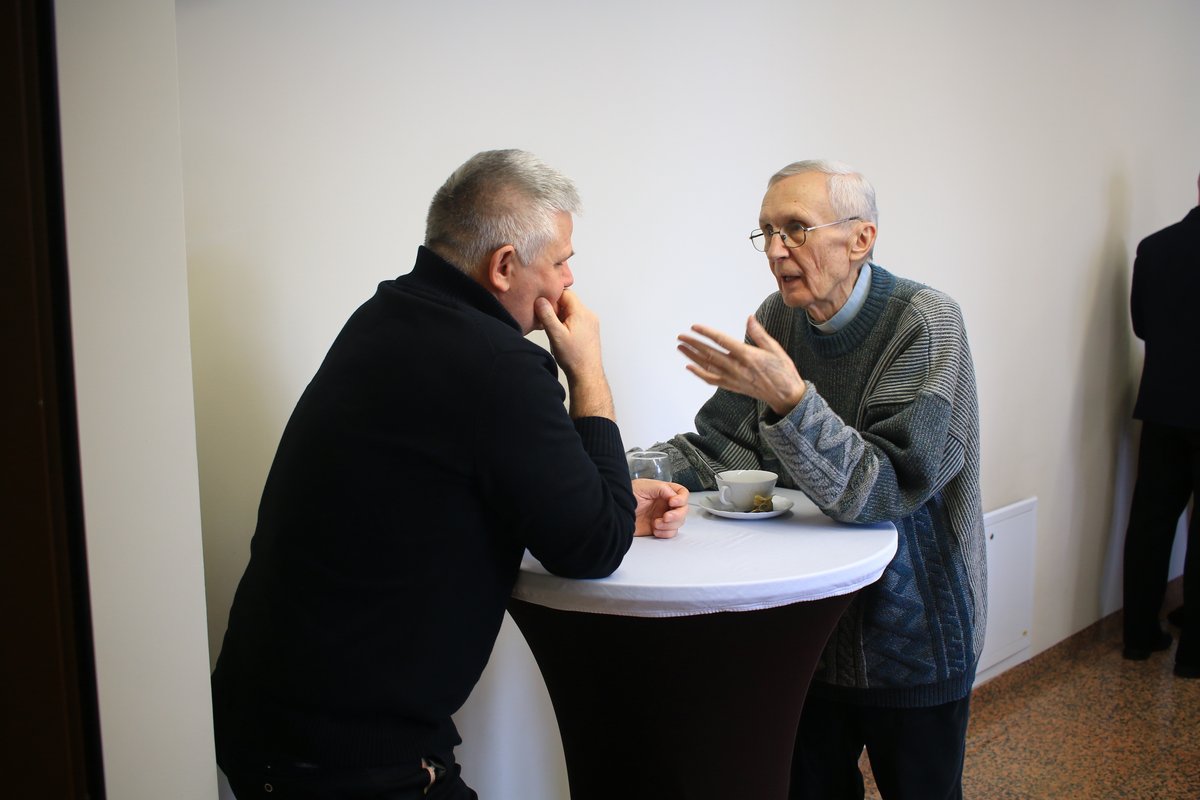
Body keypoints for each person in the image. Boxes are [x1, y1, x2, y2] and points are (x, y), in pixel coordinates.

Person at [210, 149, 690, 799]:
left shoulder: (390, 314)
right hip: (347, 755)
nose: (570, 279)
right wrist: (588, 373)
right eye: (560, 261)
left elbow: (458, 482)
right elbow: (593, 547)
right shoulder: (496, 362)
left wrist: (606, 497)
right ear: (504, 266)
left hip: (277, 720)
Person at [649, 160, 985, 799]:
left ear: (861, 238)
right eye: (767, 232)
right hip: (808, 632)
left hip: (915, 639)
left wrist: (792, 401)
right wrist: (622, 469)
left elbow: (885, 490)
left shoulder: (926, 321)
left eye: (796, 229)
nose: (776, 250)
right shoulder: (778, 319)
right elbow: (723, 447)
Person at [1121, 173, 1200, 678]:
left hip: (1164, 406)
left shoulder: (1155, 247)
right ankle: (1193, 657)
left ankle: (1138, 636)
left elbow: (1142, 326)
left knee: (1150, 523)